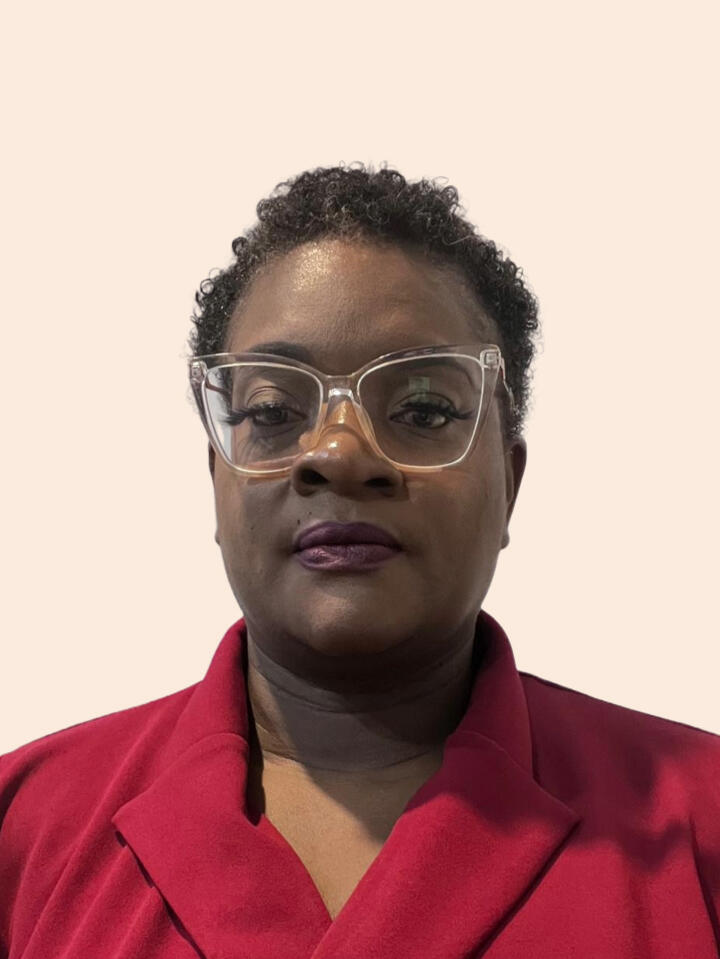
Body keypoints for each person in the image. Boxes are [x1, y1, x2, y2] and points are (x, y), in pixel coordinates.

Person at [0, 164, 718, 958]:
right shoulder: (21, 829)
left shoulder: (703, 821)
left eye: (423, 409)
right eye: (274, 411)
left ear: (509, 484)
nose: (340, 455)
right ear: (216, 478)